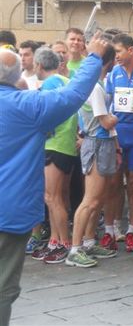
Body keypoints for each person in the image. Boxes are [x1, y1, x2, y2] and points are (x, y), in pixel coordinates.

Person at [0, 34, 109, 324]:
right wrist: (94, 58)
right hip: (8, 212)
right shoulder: (26, 106)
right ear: (17, 77)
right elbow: (72, 95)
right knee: (2, 288)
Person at [66, 39, 120, 268]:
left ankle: (88, 242)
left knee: (98, 199)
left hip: (103, 143)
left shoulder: (97, 84)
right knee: (90, 199)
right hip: (97, 142)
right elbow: (106, 121)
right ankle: (75, 249)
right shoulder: (96, 88)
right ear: (111, 62)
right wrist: (120, 114)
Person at [33, 48, 79, 264]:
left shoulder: (49, 84)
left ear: (39, 66)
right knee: (54, 196)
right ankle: (54, 240)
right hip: (65, 143)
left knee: (53, 197)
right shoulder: (64, 80)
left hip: (54, 143)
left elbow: (44, 113)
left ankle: (63, 243)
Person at [105, 34, 133, 253]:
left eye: (119, 51)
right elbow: (107, 104)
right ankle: (110, 229)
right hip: (118, 133)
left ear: (131, 50)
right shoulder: (113, 74)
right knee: (112, 183)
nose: (116, 56)